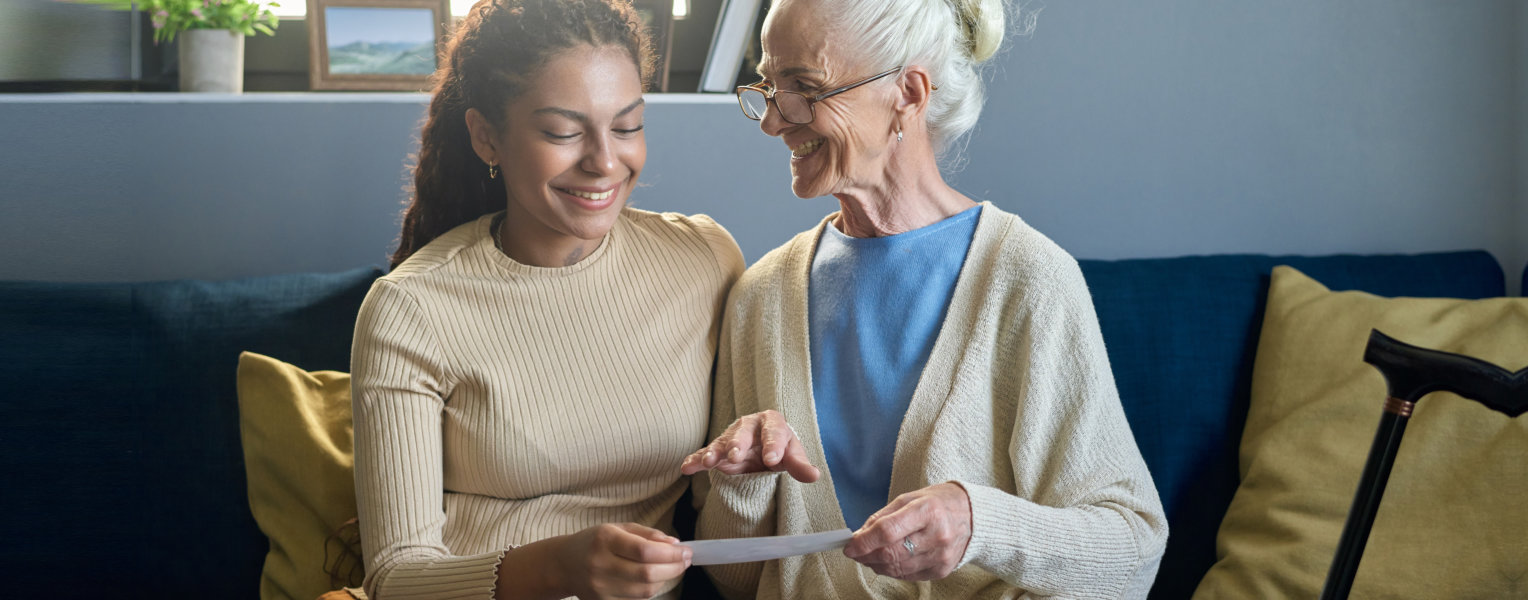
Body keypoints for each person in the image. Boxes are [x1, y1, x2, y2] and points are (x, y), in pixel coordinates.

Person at [677, 0, 1168, 598]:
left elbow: (1132, 552)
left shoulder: (1028, 280)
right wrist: (744, 484)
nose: (772, 122)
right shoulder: (762, 295)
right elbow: (735, 579)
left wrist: (979, 525)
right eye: (768, 87)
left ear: (908, 93)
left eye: (803, 88)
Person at [349, 0, 745, 598]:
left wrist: (754, 455)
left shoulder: (704, 260)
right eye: (563, 131)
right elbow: (395, 578)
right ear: (487, 137)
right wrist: (558, 567)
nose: (605, 161)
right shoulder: (411, 310)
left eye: (628, 125)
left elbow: (726, 521)